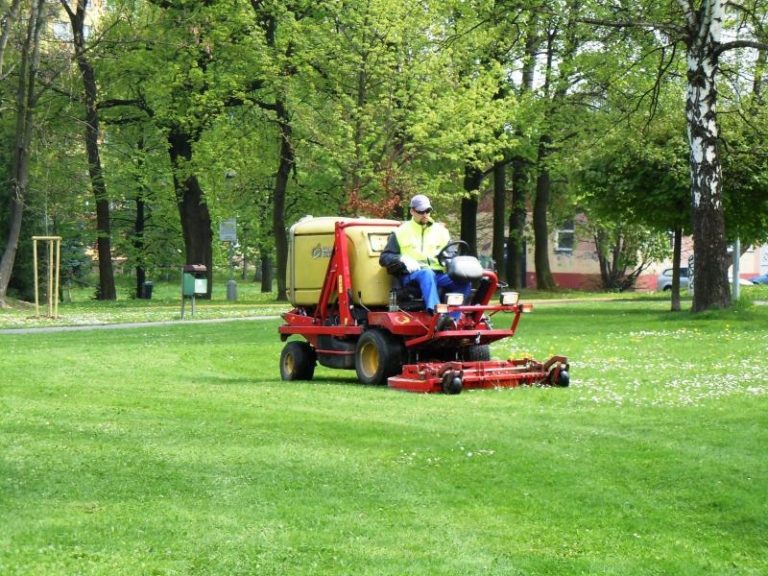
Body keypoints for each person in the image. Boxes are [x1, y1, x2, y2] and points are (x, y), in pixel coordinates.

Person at [379, 194, 472, 328]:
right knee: (426, 273)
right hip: (411, 275)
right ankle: (435, 314)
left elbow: (450, 254)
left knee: (463, 279)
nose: (425, 214)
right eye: (421, 211)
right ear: (412, 211)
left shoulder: (441, 232)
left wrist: (450, 261)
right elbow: (385, 258)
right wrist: (402, 259)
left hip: (438, 274)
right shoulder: (400, 232)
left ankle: (452, 320)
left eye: (427, 211)